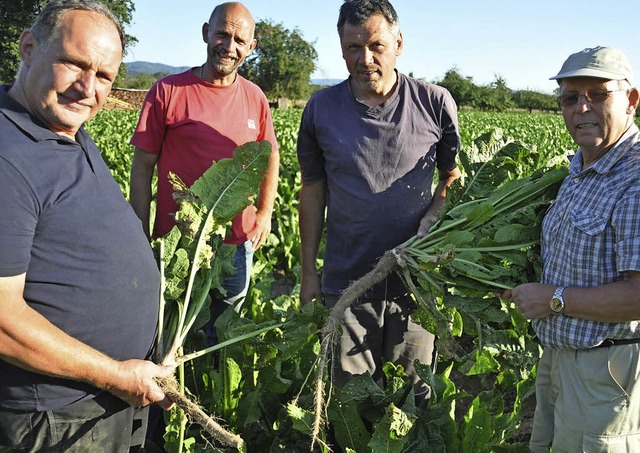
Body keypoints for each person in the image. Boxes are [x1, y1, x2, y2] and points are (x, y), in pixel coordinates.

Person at [0, 1, 175, 451]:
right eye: (74, 64)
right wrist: (114, 374)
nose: (87, 88)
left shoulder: (61, 127)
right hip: (56, 416)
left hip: (109, 398)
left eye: (104, 76)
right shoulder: (6, 154)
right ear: (28, 48)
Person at [297, 0, 461, 406]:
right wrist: (307, 273)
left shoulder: (435, 103)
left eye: (375, 46)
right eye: (353, 48)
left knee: (414, 404)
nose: (364, 58)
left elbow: (452, 178)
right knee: (350, 408)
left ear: (398, 43)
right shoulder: (321, 108)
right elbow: (313, 190)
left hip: (416, 285)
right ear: (340, 49)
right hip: (347, 285)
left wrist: (435, 213)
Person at [503, 46, 640, 452]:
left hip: (606, 373)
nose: (582, 108)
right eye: (570, 98)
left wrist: (554, 300)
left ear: (631, 100)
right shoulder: (579, 168)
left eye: (597, 94)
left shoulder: (635, 181)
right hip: (560, 359)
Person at [129, 2, 279, 345]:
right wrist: (139, 232)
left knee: (222, 336)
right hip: (176, 244)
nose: (229, 47)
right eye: (222, 35)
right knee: (167, 334)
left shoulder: (255, 98)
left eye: (240, 40)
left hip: (234, 247)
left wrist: (266, 212)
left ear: (251, 47)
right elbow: (141, 170)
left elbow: (270, 156)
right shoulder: (167, 91)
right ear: (205, 33)